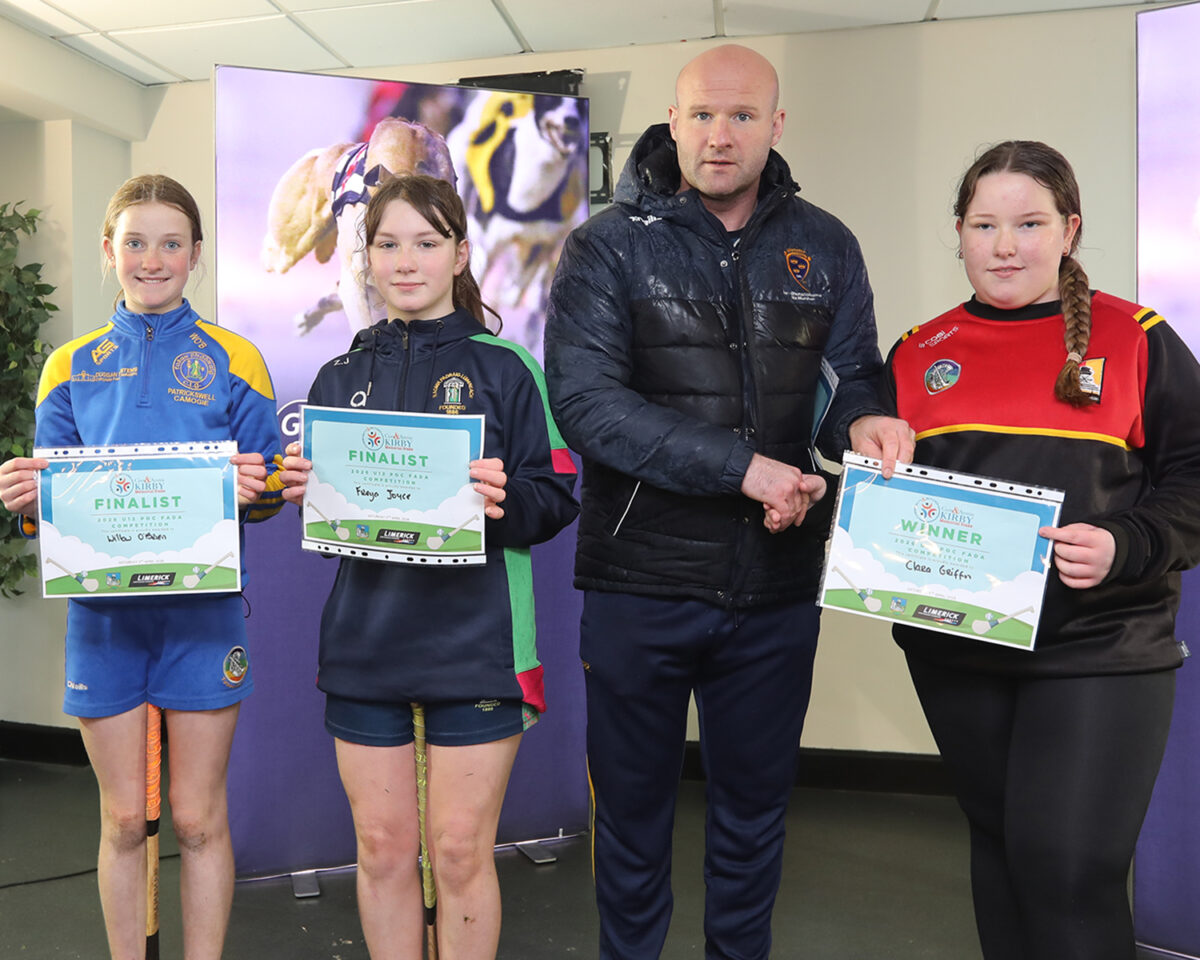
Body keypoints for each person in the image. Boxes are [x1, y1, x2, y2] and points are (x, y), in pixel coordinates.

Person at [543, 43, 913, 960]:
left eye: (742, 116)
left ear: (775, 125)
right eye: (702, 114)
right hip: (638, 581)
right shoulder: (606, 246)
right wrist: (746, 470)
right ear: (673, 122)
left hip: (775, 587)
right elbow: (588, 405)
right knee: (632, 822)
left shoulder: (826, 244)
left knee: (753, 821)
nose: (720, 134)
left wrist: (866, 424)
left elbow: (852, 379)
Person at [883, 140, 1200, 960]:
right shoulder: (917, 351)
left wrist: (1127, 543)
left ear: (1069, 230)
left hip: (1102, 643)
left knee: (1067, 871)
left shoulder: (1138, 339)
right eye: (983, 225)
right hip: (958, 648)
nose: (1005, 246)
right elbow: (894, 499)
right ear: (959, 232)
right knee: (1002, 853)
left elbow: (1195, 476)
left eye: (1029, 224)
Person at [278, 174, 578, 960]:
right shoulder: (339, 377)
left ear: (460, 254)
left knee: (458, 852)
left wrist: (505, 498)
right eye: (388, 244)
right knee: (380, 851)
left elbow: (557, 494)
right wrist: (307, 493)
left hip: (478, 646)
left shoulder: (507, 367)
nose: (406, 261)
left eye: (425, 242)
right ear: (368, 258)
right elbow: (330, 520)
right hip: (366, 643)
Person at [0, 174, 284, 960]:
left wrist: (257, 487)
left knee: (198, 819)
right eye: (134, 242)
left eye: (170, 243)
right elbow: (53, 503)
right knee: (124, 820)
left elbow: (269, 491)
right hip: (103, 624)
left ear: (195, 254)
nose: (151, 259)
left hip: (204, 618)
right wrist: (28, 498)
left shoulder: (235, 358)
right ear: (109, 251)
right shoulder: (68, 365)